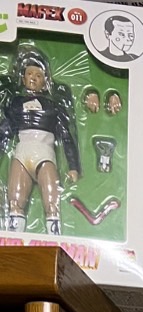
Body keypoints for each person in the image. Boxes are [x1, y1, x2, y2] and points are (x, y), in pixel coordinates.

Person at [0, 49, 80, 236]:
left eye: (38, 75)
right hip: (21, 154)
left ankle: (54, 235)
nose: (33, 78)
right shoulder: (15, 103)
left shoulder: (53, 105)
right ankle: (13, 236)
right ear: (23, 78)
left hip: (45, 154)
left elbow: (66, 135)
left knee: (51, 203)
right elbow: (4, 132)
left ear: (45, 80)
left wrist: (73, 166)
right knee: (15, 201)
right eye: (30, 74)